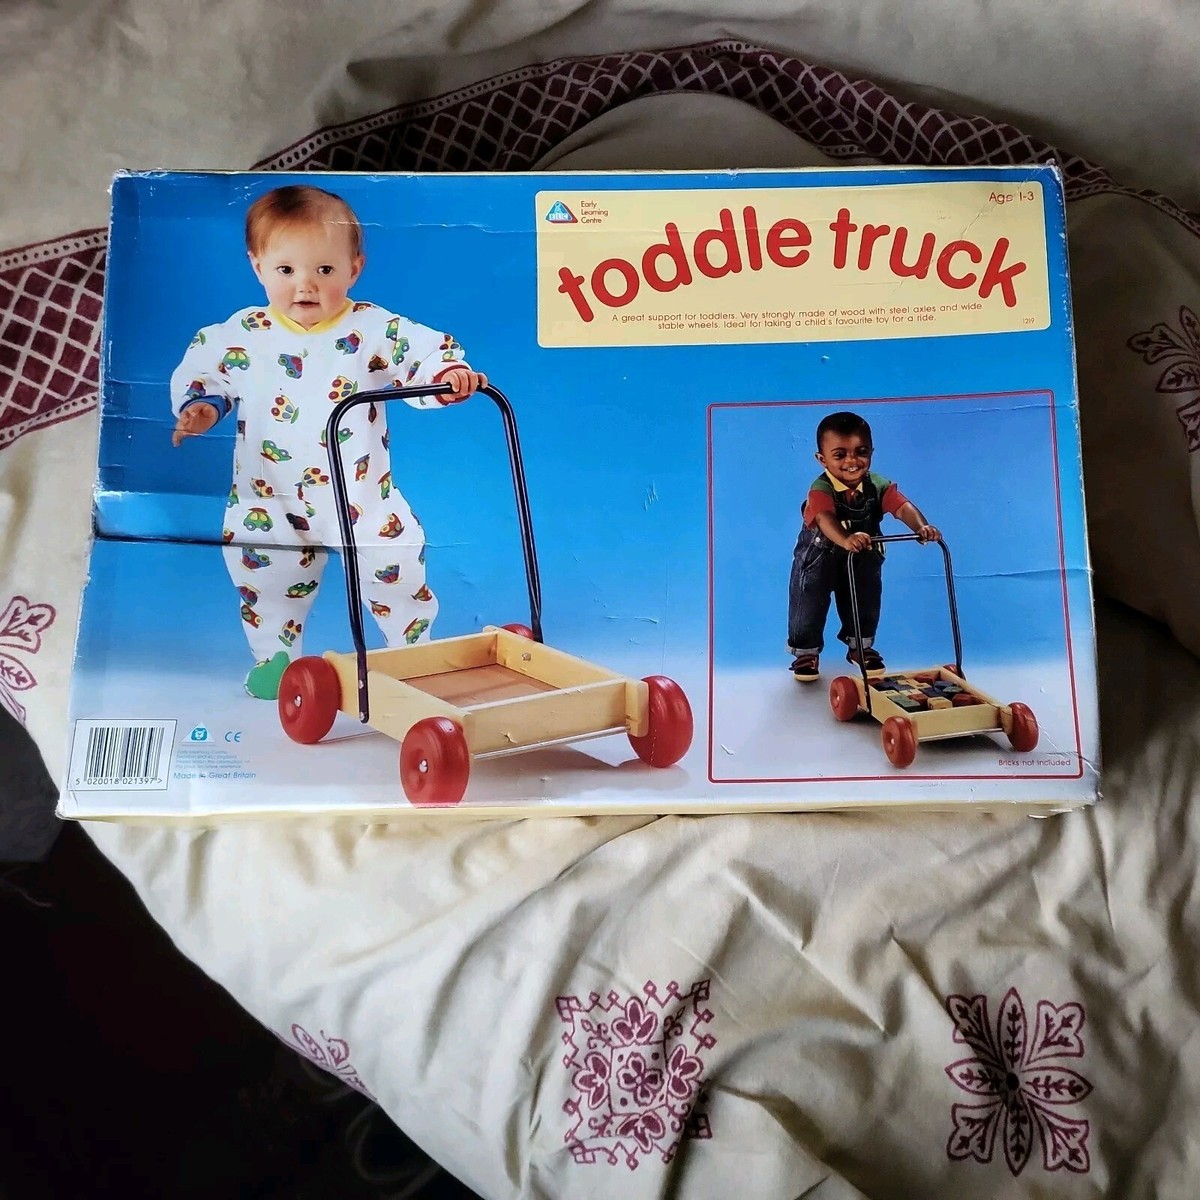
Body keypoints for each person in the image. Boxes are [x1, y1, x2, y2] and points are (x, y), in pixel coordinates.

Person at [170, 184, 487, 700]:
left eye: (324, 270)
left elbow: (422, 352)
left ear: (353, 270)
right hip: (268, 496)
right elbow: (206, 374)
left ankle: (412, 651)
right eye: (286, 270)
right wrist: (200, 407)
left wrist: (448, 374)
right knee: (264, 573)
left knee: (395, 564)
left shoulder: (371, 329)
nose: (305, 286)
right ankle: (275, 659)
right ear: (257, 267)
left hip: (360, 495)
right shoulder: (242, 334)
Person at [787, 411, 940, 682]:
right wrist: (845, 539)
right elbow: (825, 519)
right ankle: (806, 651)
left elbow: (902, 507)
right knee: (809, 597)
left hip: (862, 553)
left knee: (865, 597)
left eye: (861, 452)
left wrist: (921, 527)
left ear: (871, 451)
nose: (852, 461)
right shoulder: (820, 489)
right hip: (821, 554)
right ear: (822, 459)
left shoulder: (879, 485)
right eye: (840, 454)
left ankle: (861, 647)